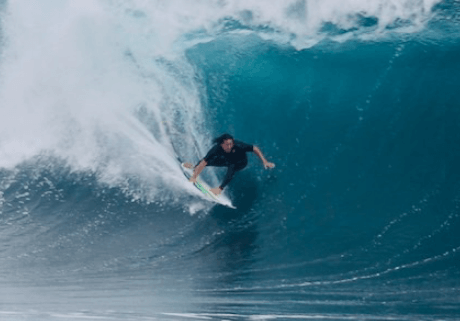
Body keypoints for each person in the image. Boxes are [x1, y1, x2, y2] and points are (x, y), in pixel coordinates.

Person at [184, 133, 275, 196]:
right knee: (206, 162)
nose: (230, 146)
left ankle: (220, 189)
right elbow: (204, 161)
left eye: (231, 143)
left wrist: (264, 161)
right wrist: (194, 176)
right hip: (226, 160)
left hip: (241, 163)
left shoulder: (239, 145)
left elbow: (255, 148)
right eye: (227, 144)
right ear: (221, 144)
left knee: (232, 167)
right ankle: (195, 167)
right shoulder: (216, 149)